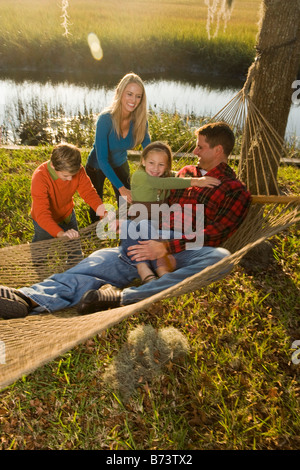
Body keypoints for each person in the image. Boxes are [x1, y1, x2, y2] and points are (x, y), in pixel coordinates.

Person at [0, 122, 251, 320]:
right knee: (96, 262)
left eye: (200, 147)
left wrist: (166, 247)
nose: (194, 151)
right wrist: (128, 215)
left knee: (220, 257)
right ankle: (28, 299)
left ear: (218, 151)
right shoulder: (186, 173)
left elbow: (216, 233)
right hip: (148, 237)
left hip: (184, 250)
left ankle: (123, 297)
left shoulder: (235, 190)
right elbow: (159, 206)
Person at [120, 140, 221, 283]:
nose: (155, 168)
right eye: (151, 163)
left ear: (166, 166)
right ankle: (143, 268)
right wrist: (196, 181)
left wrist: (188, 174)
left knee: (142, 226)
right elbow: (162, 183)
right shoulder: (140, 175)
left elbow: (174, 177)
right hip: (139, 220)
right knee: (127, 226)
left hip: (157, 224)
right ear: (143, 161)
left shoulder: (166, 175)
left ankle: (160, 269)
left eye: (161, 164)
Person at [85, 72, 151, 222]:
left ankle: (124, 231)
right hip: (97, 166)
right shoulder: (105, 119)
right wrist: (121, 188)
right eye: (129, 94)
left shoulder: (140, 121)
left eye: (138, 96)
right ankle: (95, 233)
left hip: (120, 163)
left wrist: (158, 171)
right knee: (97, 205)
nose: (133, 100)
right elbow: (102, 159)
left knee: (127, 204)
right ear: (119, 93)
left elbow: (149, 150)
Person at [31, 143, 106, 242]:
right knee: (40, 249)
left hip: (68, 215)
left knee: (75, 249)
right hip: (44, 221)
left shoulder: (77, 169)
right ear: (53, 166)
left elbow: (88, 192)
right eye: (66, 176)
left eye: (73, 175)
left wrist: (103, 212)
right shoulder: (40, 177)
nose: (70, 179)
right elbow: (42, 213)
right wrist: (61, 234)